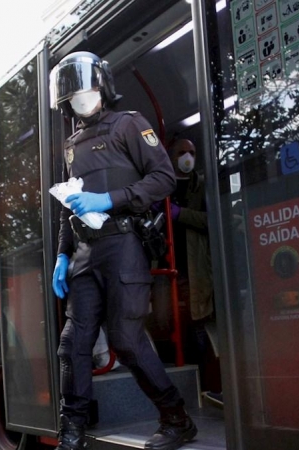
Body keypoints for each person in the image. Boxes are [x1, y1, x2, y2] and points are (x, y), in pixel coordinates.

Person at [50, 51, 197, 450]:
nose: (79, 98)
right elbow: (70, 205)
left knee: (126, 339)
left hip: (124, 243)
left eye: (85, 88)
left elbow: (165, 177)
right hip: (83, 253)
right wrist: (63, 255)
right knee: (73, 345)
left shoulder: (129, 124)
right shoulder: (72, 144)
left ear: (102, 86)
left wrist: (111, 199)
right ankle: (72, 432)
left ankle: (177, 418)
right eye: (71, 94)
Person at [161, 139, 221, 407]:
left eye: (192, 153)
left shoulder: (204, 184)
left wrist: (179, 214)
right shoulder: (161, 186)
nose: (187, 157)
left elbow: (214, 220)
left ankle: (205, 386)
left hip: (195, 267)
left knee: (197, 323)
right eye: (181, 153)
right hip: (166, 267)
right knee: (168, 324)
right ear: (170, 156)